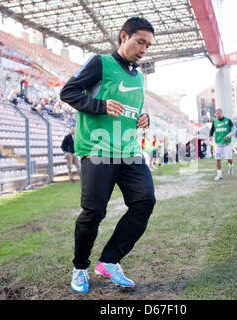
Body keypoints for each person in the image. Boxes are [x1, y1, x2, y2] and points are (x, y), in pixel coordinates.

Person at [60, 17, 155, 293]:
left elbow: (130, 110)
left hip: (129, 151)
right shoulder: (100, 63)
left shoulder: (138, 76)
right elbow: (68, 92)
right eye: (140, 42)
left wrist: (143, 117)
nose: (144, 50)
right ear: (124, 37)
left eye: (148, 46)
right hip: (98, 150)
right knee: (94, 213)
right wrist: (100, 105)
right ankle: (80, 268)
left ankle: (110, 260)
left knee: (145, 200)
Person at [209, 108, 236, 180]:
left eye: (218, 113)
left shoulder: (228, 120)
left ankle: (231, 164)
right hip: (218, 144)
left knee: (228, 158)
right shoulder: (214, 122)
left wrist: (228, 135)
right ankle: (219, 175)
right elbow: (212, 130)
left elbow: (234, 130)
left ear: (222, 113)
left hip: (227, 144)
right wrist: (210, 136)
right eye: (216, 114)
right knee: (218, 159)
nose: (217, 115)